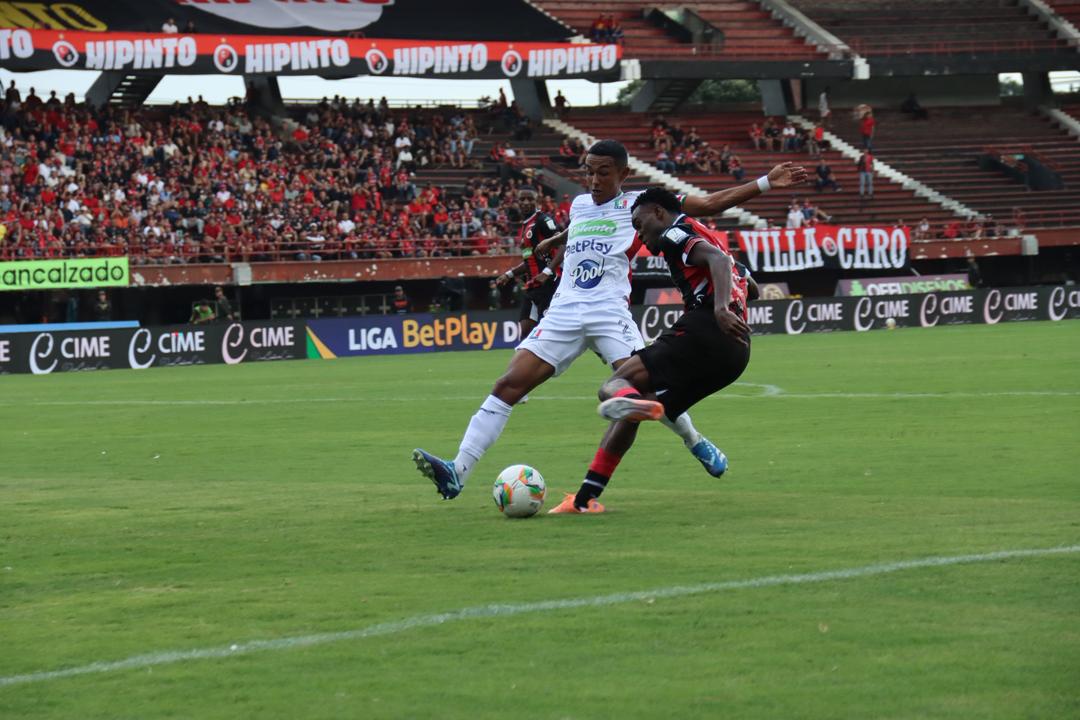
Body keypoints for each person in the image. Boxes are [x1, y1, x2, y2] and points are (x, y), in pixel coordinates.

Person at [412, 138, 807, 502]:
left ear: (623, 174)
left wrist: (765, 183)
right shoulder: (580, 205)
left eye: (603, 172)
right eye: (588, 172)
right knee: (507, 385)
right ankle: (457, 471)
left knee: (641, 388)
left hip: (609, 313)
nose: (594, 180)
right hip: (564, 311)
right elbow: (579, 231)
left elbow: (707, 203)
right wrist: (554, 241)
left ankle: (695, 441)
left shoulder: (640, 205)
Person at [549, 187, 757, 513]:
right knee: (633, 408)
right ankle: (585, 499)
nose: (640, 235)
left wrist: (719, 309)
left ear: (658, 212)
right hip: (737, 354)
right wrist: (731, 300)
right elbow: (748, 284)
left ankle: (637, 404)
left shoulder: (675, 232)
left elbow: (715, 260)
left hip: (704, 329)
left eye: (640, 224)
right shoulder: (715, 243)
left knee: (613, 387)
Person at [495, 189, 559, 341]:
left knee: (548, 335)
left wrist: (547, 272)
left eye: (529, 199)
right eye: (522, 199)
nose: (525, 202)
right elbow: (529, 260)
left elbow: (563, 245)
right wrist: (509, 274)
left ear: (537, 201)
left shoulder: (543, 220)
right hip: (533, 286)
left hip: (549, 284)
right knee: (524, 333)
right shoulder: (525, 226)